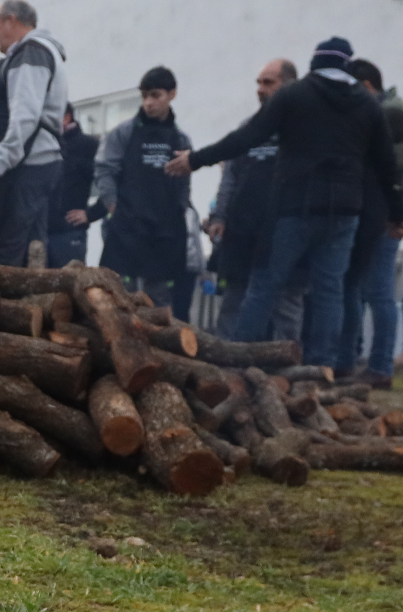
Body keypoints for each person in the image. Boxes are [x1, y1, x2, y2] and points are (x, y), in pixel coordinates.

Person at [167, 37, 403, 366]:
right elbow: (385, 164)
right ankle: (322, 368)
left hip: (295, 207)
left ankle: (238, 360)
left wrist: (197, 159)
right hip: (345, 212)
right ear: (346, 65)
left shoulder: (295, 95)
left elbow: (248, 137)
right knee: (329, 291)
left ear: (314, 64)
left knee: (264, 284)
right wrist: (396, 214)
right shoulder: (367, 105)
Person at [0, 0, 68, 267]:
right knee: (32, 249)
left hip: (28, 167)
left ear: (12, 21)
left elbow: (25, 114)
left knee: (5, 252)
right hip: (40, 165)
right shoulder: (41, 52)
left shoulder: (30, 53)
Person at [207, 59, 299, 336]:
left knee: (286, 302)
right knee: (234, 299)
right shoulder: (248, 127)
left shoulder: (299, 130)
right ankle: (226, 365)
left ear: (289, 87)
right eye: (258, 82)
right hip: (243, 227)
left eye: (268, 82)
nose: (260, 89)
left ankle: (289, 369)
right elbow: (230, 176)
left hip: (285, 226)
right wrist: (219, 215)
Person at [94, 66, 194, 318]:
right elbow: (105, 169)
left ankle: (159, 350)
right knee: (119, 293)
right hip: (128, 225)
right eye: (145, 96)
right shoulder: (123, 133)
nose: (148, 103)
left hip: (164, 229)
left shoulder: (181, 139)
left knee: (159, 296)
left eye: (155, 96)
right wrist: (113, 206)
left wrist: (179, 208)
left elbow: (185, 180)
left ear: (172, 94)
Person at [340, 59, 402, 386]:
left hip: (379, 215)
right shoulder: (392, 112)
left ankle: (374, 366)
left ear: (365, 87)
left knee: (373, 290)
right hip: (383, 214)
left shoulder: (386, 115)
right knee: (372, 291)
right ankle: (371, 363)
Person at [47, 102, 102, 267]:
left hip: (69, 234)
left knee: (69, 288)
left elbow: (112, 182)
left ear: (66, 118)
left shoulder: (88, 145)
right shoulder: (45, 145)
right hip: (39, 233)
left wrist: (92, 214)